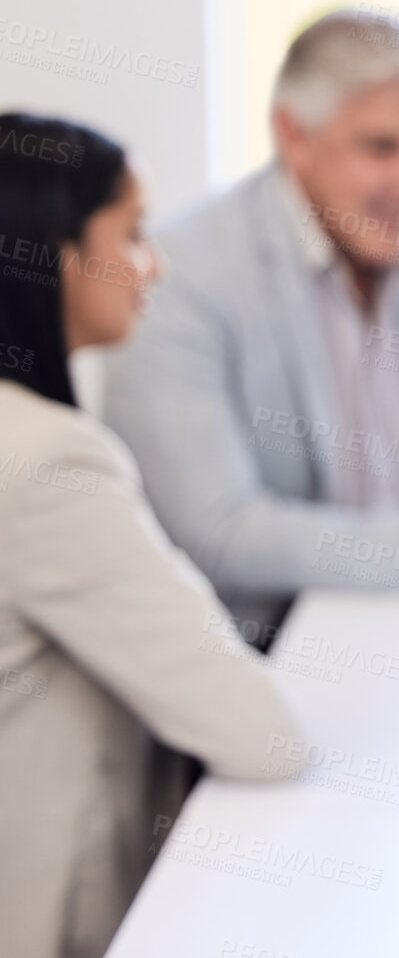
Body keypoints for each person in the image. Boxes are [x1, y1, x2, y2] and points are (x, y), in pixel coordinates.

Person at [101, 11, 399, 649]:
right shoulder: (180, 274)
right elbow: (221, 529)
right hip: (254, 660)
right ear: (293, 136)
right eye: (381, 148)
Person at [0, 114, 301, 958]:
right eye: (132, 233)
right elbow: (260, 735)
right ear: (55, 253)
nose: (154, 266)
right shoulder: (51, 464)